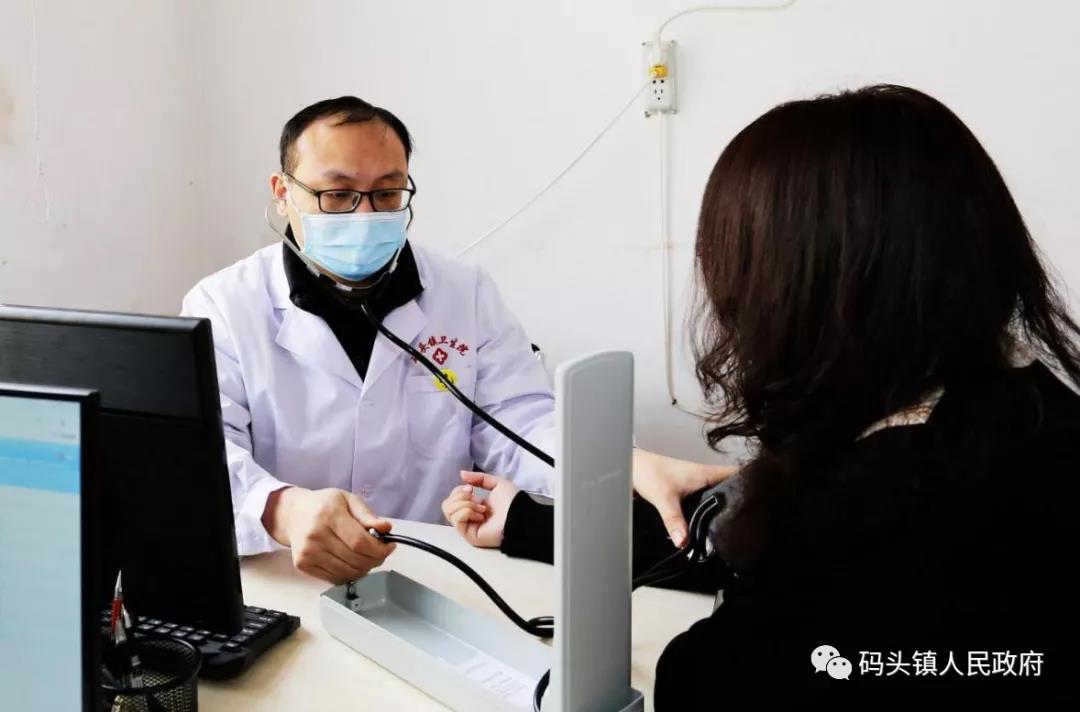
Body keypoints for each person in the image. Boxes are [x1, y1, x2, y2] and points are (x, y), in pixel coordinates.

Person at [442, 84, 1080, 706]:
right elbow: (743, 546)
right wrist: (531, 522)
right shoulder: (1023, 408)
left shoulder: (885, 512)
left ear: (803, 284)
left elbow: (709, 674)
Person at [182, 96, 557, 584]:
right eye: (337, 194)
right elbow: (201, 455)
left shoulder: (465, 293)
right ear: (282, 192)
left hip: (436, 570)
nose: (364, 215)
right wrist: (280, 509)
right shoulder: (224, 304)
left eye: (386, 193)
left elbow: (522, 421)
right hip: (285, 573)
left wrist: (607, 467)